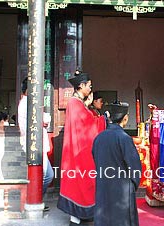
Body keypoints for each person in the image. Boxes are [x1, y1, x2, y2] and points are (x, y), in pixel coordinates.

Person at [57, 70, 106, 225]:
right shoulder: (75, 103)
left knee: (82, 182)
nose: (90, 89)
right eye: (89, 86)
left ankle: (80, 216)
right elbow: (88, 124)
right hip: (80, 151)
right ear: (81, 85)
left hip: (78, 148)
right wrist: (104, 119)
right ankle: (76, 218)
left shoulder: (77, 103)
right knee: (82, 182)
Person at [92, 101, 142, 226]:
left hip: (103, 185)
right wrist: (132, 185)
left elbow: (95, 159)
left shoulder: (98, 138)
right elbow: (135, 167)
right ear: (125, 118)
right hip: (122, 190)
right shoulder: (124, 138)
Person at [18, 77, 54, 211]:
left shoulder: (27, 102)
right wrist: (44, 119)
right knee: (46, 174)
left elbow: (45, 119)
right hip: (34, 145)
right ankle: (35, 200)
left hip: (38, 144)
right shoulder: (27, 102)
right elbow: (45, 118)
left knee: (48, 174)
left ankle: (37, 200)